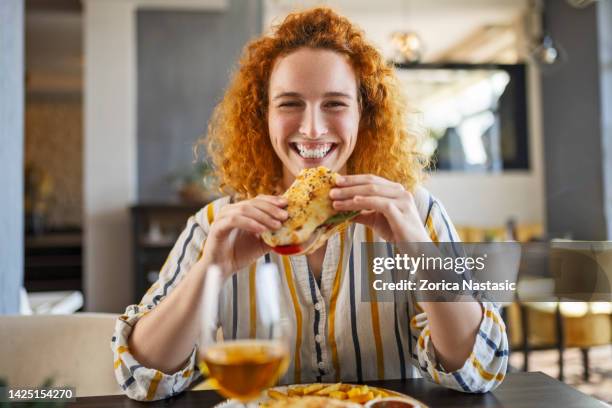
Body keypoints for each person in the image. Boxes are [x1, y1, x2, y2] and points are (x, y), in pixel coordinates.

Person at [111, 8, 508, 401]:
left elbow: (481, 369)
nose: (313, 129)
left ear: (362, 116)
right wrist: (212, 268)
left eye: (335, 104)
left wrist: (417, 249)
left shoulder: (415, 212)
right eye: (289, 104)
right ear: (261, 116)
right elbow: (142, 379)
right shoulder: (216, 225)